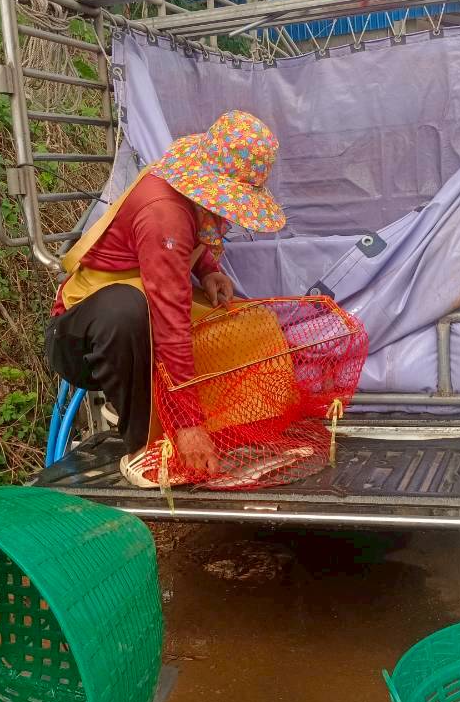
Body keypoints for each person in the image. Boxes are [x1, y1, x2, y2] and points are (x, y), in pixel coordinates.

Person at [45, 110, 285, 487]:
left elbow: (186, 241)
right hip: (85, 338)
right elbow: (170, 321)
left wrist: (207, 270)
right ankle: (145, 446)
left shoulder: (187, 196)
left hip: (144, 302)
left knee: (252, 323)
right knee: (126, 312)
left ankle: (232, 430)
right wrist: (188, 425)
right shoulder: (163, 211)